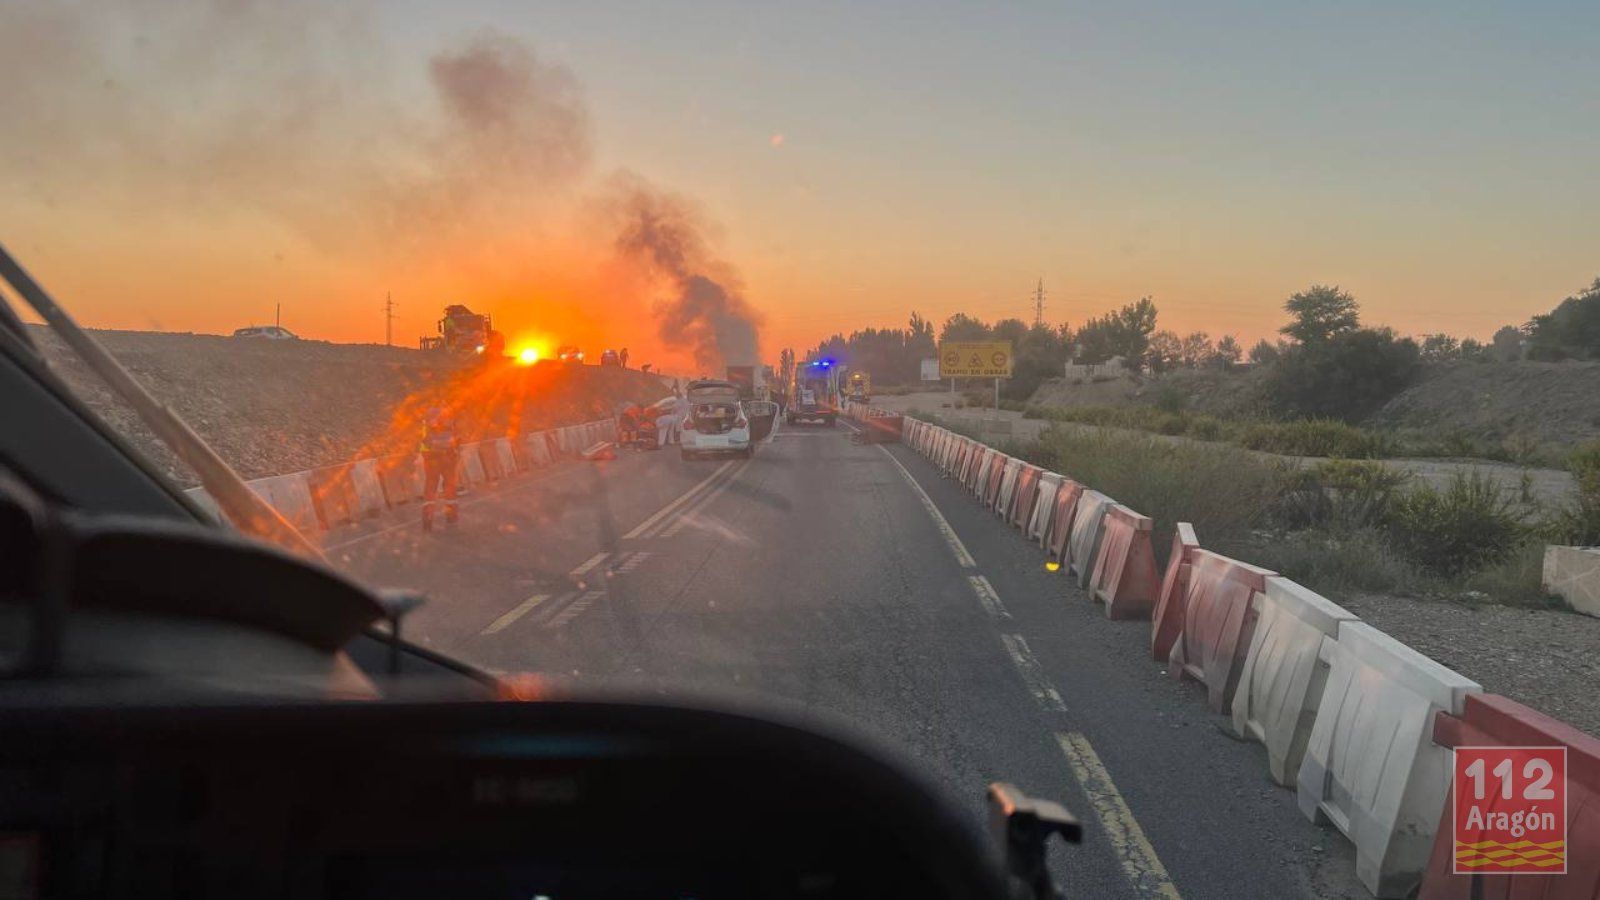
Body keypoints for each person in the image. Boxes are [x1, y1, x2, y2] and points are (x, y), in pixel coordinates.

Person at [419, 407, 460, 531]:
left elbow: (424, 443)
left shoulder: (425, 427)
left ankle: (428, 518)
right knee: (450, 488)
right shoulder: (450, 425)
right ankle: (451, 516)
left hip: (431, 461)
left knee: (430, 490)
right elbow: (457, 442)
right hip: (448, 460)